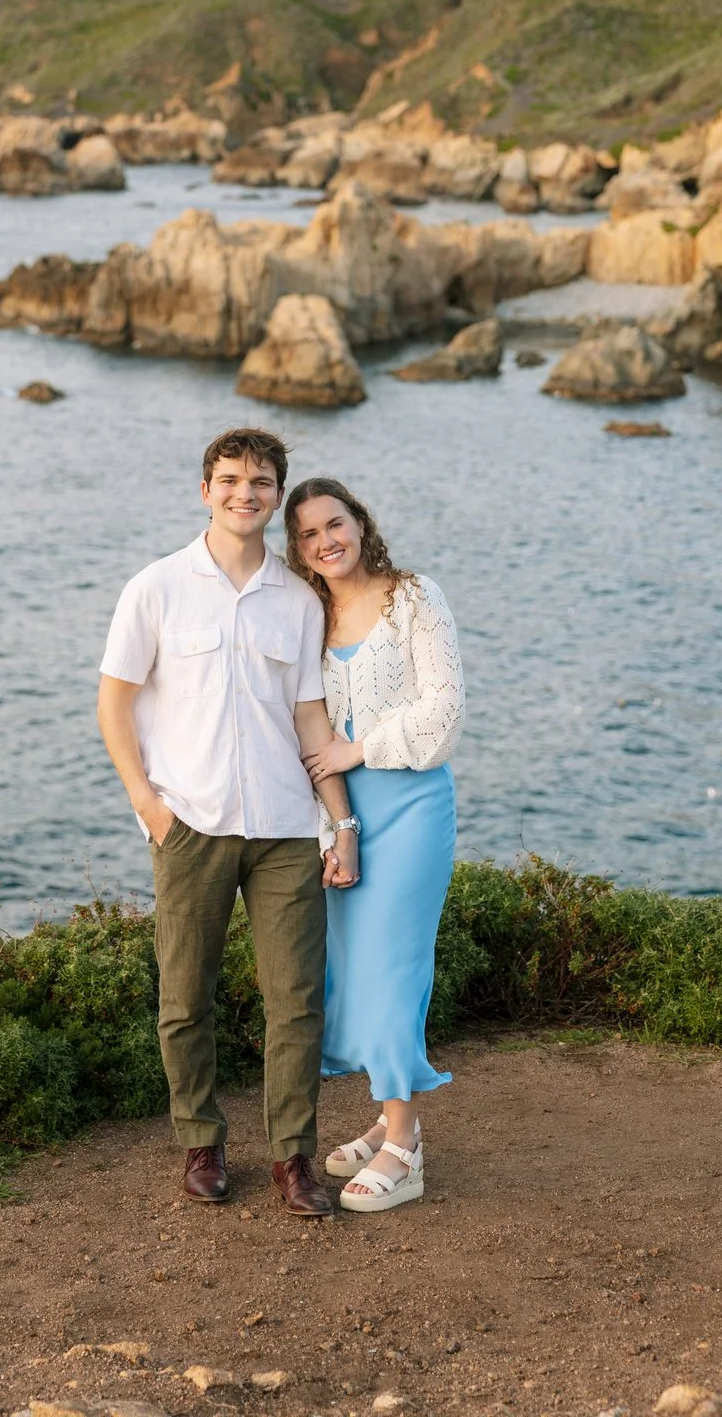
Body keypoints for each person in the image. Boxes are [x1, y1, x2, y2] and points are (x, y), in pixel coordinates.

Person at [97, 427, 360, 1218]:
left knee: (297, 1001)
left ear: (276, 495)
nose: (244, 493)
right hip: (193, 826)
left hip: (284, 825)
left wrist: (338, 825)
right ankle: (201, 1143)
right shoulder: (156, 587)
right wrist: (148, 804)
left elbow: (310, 717)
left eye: (259, 482)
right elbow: (113, 702)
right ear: (204, 490)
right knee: (185, 997)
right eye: (229, 479)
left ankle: (292, 1159)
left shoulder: (298, 597)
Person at [284, 476, 463, 1213]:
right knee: (353, 977)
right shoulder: (306, 617)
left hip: (414, 806)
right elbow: (307, 730)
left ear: (360, 523)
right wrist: (337, 830)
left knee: (392, 972)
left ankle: (405, 1149)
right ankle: (390, 1119)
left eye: (336, 523)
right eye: (308, 534)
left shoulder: (414, 597)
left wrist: (360, 751)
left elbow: (443, 710)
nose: (326, 541)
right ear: (296, 550)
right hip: (347, 818)